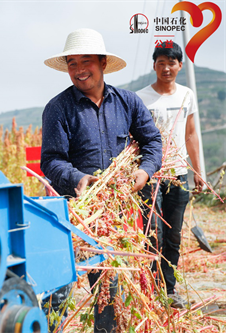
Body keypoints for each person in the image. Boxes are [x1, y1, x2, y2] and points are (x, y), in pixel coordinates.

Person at [41, 28, 162, 333]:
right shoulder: (57, 109)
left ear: (103, 62)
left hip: (116, 211)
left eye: (86, 62)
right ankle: (49, 326)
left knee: (108, 282)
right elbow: (51, 160)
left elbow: (153, 142)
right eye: (72, 64)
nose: (79, 70)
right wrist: (79, 178)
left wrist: (144, 171)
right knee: (61, 284)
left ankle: (106, 329)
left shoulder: (128, 102)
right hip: (78, 209)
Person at [136, 41, 205, 309]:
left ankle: (169, 290)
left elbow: (190, 134)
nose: (166, 68)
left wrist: (198, 171)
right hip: (151, 176)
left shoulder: (186, 96)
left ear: (180, 65)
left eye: (171, 62)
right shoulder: (140, 98)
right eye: (161, 63)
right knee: (153, 234)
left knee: (173, 236)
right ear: (154, 66)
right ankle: (152, 291)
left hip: (178, 175)